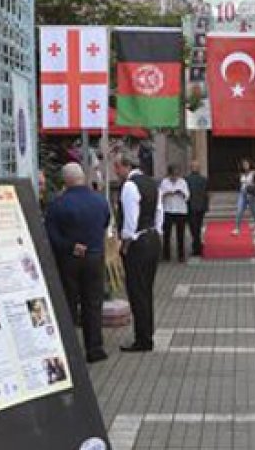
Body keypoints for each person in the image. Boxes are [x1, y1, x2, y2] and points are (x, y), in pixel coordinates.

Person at [44, 163, 111, 363]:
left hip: (69, 259)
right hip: (95, 257)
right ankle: (95, 348)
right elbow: (105, 223)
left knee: (69, 303)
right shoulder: (100, 201)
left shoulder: (58, 204)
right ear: (83, 177)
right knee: (93, 303)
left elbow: (51, 235)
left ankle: (70, 349)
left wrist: (70, 245)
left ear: (65, 180)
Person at [113, 152, 162, 353]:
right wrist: (157, 231)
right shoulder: (152, 183)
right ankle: (147, 334)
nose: (116, 172)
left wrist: (125, 243)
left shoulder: (129, 186)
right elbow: (159, 212)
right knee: (146, 290)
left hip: (138, 242)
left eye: (117, 167)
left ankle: (142, 339)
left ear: (125, 166)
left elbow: (130, 220)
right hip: (152, 238)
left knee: (137, 291)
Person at [158, 165, 190, 263]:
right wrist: (166, 193)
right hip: (168, 210)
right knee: (167, 234)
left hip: (180, 210)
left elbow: (187, 195)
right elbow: (160, 195)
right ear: (170, 174)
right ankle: (166, 255)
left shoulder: (182, 182)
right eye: (173, 174)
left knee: (180, 234)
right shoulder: (164, 182)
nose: (175, 176)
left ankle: (181, 255)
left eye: (176, 174)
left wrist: (181, 193)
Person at [185, 161, 210, 257]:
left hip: (192, 207)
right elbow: (207, 194)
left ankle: (197, 247)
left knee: (194, 228)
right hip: (197, 207)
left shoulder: (187, 179)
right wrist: (206, 206)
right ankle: (198, 246)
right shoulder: (202, 179)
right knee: (197, 228)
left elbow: (206, 194)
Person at [233, 159, 255, 236]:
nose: (245, 166)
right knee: (239, 210)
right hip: (242, 193)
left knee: (254, 211)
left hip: (251, 194)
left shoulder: (254, 173)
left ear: (250, 164)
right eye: (244, 164)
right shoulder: (241, 174)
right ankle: (237, 228)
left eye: (246, 164)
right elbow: (239, 183)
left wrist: (254, 189)